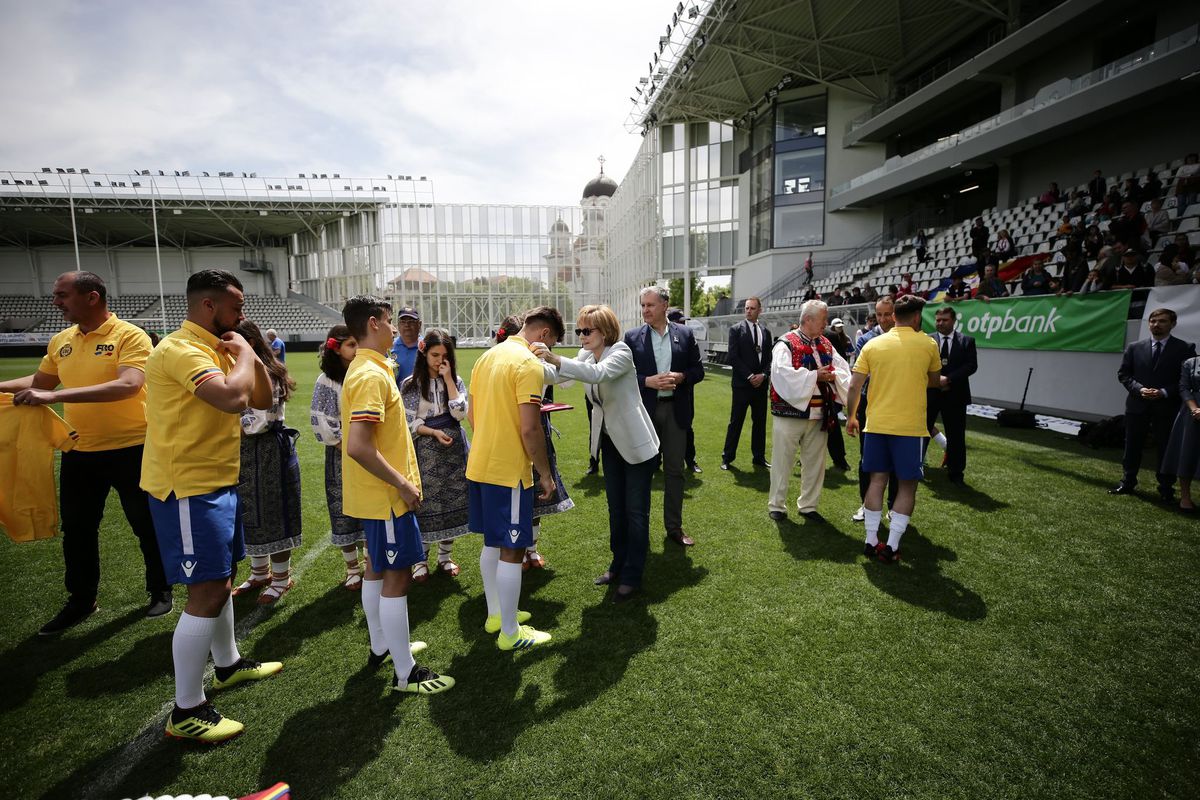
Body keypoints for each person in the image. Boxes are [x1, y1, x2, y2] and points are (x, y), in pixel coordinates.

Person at [141, 269, 281, 743]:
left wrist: (246, 353)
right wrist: (241, 354)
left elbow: (261, 395)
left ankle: (228, 664)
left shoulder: (218, 347)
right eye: (236, 309)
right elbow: (232, 398)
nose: (243, 317)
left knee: (220, 582)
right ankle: (187, 709)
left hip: (217, 480)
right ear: (208, 307)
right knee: (205, 591)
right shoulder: (180, 349)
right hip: (187, 487)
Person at [0, 270, 171, 634]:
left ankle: (160, 589)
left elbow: (129, 385)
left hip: (134, 448)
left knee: (146, 524)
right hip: (80, 449)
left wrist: (56, 396)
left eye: (62, 295)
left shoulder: (130, 335)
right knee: (77, 530)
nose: (55, 302)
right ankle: (81, 600)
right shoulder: (61, 340)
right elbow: (40, 382)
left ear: (91, 297)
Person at [340, 294, 454, 694]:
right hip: (385, 496)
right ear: (374, 324)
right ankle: (405, 672)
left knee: (376, 567)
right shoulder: (370, 375)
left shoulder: (366, 368)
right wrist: (403, 484)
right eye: (389, 321)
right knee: (397, 575)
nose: (393, 328)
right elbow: (358, 445)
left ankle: (384, 645)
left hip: (372, 495)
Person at [535, 305, 659, 602]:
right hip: (610, 444)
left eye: (586, 331)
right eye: (579, 330)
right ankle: (618, 565)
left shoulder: (621, 352)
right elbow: (559, 378)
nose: (581, 336)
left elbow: (597, 374)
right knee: (616, 509)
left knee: (636, 513)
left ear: (605, 331)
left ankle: (632, 574)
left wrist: (553, 356)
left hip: (637, 445)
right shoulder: (586, 354)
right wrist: (522, 359)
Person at [467, 306, 561, 650]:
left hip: (479, 463)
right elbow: (529, 427)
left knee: (492, 542)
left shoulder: (487, 357)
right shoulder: (528, 364)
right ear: (545, 335)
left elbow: (473, 416)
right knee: (513, 547)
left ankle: (497, 615)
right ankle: (510, 633)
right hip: (508, 471)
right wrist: (545, 474)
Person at [845, 295, 943, 564]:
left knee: (877, 480)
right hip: (910, 429)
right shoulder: (928, 344)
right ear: (915, 317)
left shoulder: (873, 344)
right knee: (907, 486)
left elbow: (854, 386)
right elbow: (935, 382)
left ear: (894, 315)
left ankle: (869, 540)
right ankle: (891, 545)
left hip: (876, 424)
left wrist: (851, 417)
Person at [625, 286, 705, 547]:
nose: (645, 310)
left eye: (650, 305)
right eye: (643, 305)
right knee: (642, 474)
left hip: (675, 412)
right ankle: (639, 531)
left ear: (664, 305)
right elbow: (622, 377)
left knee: (674, 472)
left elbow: (698, 371)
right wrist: (647, 381)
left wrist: (681, 377)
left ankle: (674, 527)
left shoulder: (684, 334)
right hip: (644, 413)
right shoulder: (632, 337)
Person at [232, 320, 302, 605]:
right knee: (249, 512)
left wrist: (225, 423)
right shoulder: (239, 369)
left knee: (272, 513)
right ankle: (259, 573)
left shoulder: (267, 372)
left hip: (268, 451)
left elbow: (258, 422)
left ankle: (282, 578)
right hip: (245, 451)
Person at [767, 300, 850, 522]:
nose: (826, 323)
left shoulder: (826, 343)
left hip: (819, 413)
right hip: (789, 413)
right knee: (782, 460)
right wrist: (815, 375)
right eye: (823, 319)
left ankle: (808, 505)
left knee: (815, 462)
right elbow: (781, 374)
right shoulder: (786, 343)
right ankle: (777, 504)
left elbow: (844, 371)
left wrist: (834, 377)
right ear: (808, 320)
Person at [401, 328, 471, 581]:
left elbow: (460, 413)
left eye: (444, 355)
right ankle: (420, 560)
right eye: (434, 354)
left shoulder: (456, 380)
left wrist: (449, 379)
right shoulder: (410, 385)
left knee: (453, 501)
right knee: (424, 502)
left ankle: (445, 556)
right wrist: (432, 432)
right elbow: (409, 424)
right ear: (423, 354)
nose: (439, 360)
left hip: (453, 450)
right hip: (426, 449)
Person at [1111, 308, 1196, 501]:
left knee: (1166, 448)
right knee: (1132, 445)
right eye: (1153, 321)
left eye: (1162, 321)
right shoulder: (1134, 347)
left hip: (1167, 407)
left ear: (1172, 324)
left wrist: (1164, 392)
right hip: (1137, 405)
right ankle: (1127, 482)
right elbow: (1123, 375)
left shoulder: (1185, 348)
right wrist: (1140, 389)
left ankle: (1166, 489)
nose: (1156, 324)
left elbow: (1186, 380)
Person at [310, 324, 366, 590]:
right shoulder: (327, 381)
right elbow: (322, 421)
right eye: (351, 345)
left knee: (370, 506)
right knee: (343, 508)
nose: (356, 349)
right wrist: (348, 444)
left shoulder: (365, 373)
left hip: (368, 450)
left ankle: (371, 561)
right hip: (342, 454)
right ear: (337, 348)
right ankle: (352, 568)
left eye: (357, 344)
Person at [851, 297, 899, 522]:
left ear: (895, 314)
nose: (883, 319)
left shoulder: (905, 338)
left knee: (897, 458)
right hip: (870, 405)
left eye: (887, 314)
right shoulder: (867, 339)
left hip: (898, 405)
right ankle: (865, 504)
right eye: (879, 315)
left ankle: (894, 506)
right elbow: (862, 376)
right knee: (867, 458)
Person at [927, 307, 978, 486]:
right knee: (922, 431)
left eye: (945, 320)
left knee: (956, 436)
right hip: (930, 394)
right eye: (938, 320)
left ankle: (956, 472)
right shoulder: (927, 340)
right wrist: (935, 380)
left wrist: (948, 379)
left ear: (954, 321)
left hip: (955, 395)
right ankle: (916, 466)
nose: (940, 323)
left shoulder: (966, 341)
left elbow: (971, 366)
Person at [721, 296, 772, 471]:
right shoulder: (736, 330)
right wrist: (751, 376)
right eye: (747, 308)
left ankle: (759, 457)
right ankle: (727, 457)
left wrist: (764, 375)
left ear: (760, 310)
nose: (748, 311)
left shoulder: (766, 332)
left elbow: (769, 359)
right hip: (742, 385)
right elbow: (733, 357)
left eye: (752, 308)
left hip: (760, 386)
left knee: (760, 422)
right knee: (736, 421)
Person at [1161, 354, 1200, 513]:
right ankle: (1185, 497)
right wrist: (1194, 409)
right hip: (1191, 415)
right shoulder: (1191, 362)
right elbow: (1183, 388)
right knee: (1187, 453)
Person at [668, 307, 702, 474]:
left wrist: (683, 376)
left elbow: (697, 370)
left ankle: (690, 460)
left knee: (687, 427)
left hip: (684, 393)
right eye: (679, 321)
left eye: (683, 322)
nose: (682, 325)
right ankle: (656, 461)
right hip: (661, 396)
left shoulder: (687, 339)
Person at [390, 306, 422, 386]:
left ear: (419, 324)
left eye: (411, 321)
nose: (407, 325)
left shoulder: (427, 347)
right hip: (396, 397)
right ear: (398, 325)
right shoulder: (389, 347)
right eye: (403, 321)